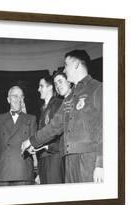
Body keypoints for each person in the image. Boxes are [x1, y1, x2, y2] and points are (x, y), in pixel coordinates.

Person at [22, 49, 103, 183]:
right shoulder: (69, 98)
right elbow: (53, 127)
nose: (64, 70)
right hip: (69, 160)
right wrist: (31, 140)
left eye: (66, 65)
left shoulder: (98, 88)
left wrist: (101, 163)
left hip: (89, 160)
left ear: (77, 64)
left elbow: (105, 128)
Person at [0, 86, 37, 186]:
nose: (18, 100)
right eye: (15, 96)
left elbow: (34, 142)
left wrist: (32, 148)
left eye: (21, 97)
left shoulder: (31, 119)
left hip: (23, 172)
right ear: (8, 99)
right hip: (3, 173)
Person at [34, 75, 64, 184]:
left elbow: (58, 131)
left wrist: (48, 146)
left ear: (50, 87)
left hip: (54, 156)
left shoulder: (58, 104)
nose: (38, 89)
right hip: (43, 157)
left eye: (41, 86)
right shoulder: (43, 108)